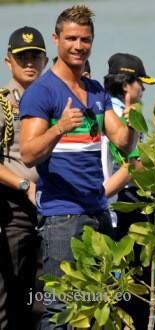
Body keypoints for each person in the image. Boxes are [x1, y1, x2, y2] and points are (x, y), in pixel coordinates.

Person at [19, 5, 136, 329]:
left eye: (85, 39)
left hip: (98, 211)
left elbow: (124, 142)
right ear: (56, 40)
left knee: (96, 306)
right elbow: (28, 154)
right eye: (71, 38)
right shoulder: (42, 92)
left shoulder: (95, 90)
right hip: (61, 216)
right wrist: (58, 129)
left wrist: (135, 118)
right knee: (61, 310)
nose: (78, 45)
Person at [101, 52, 155, 330]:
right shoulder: (117, 116)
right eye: (140, 83)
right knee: (135, 284)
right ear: (126, 85)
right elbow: (132, 163)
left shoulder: (115, 110)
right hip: (123, 202)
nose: (143, 89)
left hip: (120, 200)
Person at [0, 26, 48, 330]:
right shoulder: (3, 105)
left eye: (35, 57)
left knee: (43, 298)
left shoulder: (53, 101)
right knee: (9, 297)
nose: (29, 63)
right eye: (22, 57)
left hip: (52, 207)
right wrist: (23, 184)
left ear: (45, 61)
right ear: (9, 62)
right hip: (14, 207)